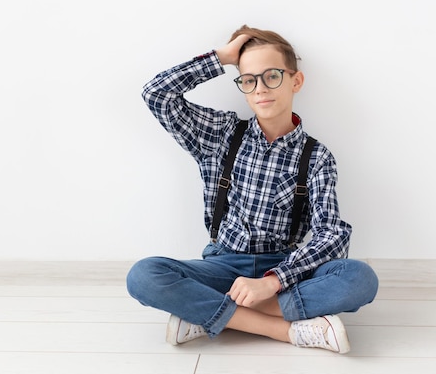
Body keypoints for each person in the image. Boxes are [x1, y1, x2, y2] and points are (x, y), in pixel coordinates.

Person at [126, 25, 378, 353]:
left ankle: (206, 314)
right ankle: (287, 331)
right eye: (249, 79)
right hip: (222, 266)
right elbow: (156, 94)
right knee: (144, 275)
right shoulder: (221, 135)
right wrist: (222, 58)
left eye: (272, 76)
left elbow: (331, 235)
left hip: (285, 267)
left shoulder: (316, 156)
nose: (260, 88)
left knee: (359, 278)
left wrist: (272, 282)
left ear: (295, 81)